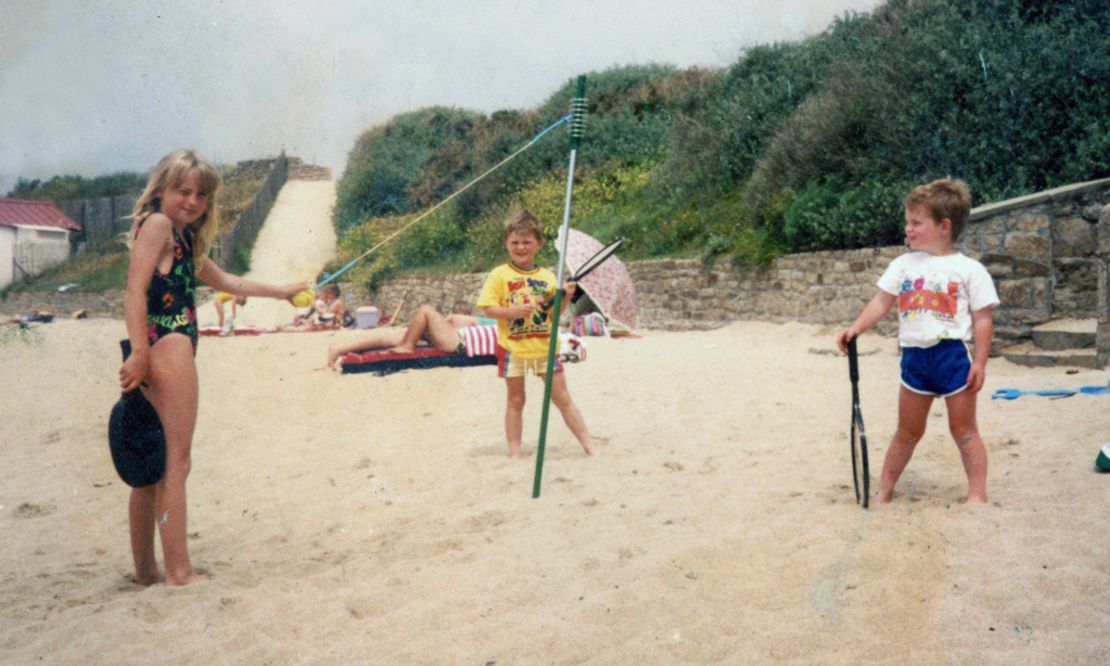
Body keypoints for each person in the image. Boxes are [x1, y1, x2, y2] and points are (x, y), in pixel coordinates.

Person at [118, 149, 304, 586]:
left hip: (154, 346)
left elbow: (229, 283)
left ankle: (147, 572)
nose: (192, 200)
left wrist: (281, 292)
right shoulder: (160, 226)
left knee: (150, 465)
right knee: (176, 464)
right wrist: (141, 353)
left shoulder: (181, 239)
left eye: (201, 194)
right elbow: (134, 291)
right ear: (161, 189)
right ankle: (180, 572)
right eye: (183, 191)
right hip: (169, 345)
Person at [836, 178, 999, 504]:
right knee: (907, 433)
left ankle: (977, 495)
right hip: (914, 360)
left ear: (944, 226)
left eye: (916, 222)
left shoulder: (969, 269)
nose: (907, 229)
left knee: (964, 431)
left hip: (953, 358)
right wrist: (856, 328)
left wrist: (980, 362)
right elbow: (882, 302)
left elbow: (983, 318)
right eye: (907, 222)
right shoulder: (903, 265)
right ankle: (883, 491)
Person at [477, 210, 594, 458]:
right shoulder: (500, 275)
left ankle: (589, 446)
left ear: (538, 244)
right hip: (513, 348)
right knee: (517, 400)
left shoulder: (547, 276)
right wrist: (513, 311)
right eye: (515, 242)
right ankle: (515, 453)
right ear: (506, 244)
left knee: (563, 398)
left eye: (527, 242)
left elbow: (553, 314)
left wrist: (566, 297)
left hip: (545, 348)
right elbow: (488, 309)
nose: (521, 247)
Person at [325, 306, 482, 370]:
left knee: (423, 312)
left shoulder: (454, 317)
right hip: (454, 339)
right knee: (396, 338)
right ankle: (340, 349)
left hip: (454, 340)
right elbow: (478, 330)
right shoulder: (472, 320)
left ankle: (340, 348)